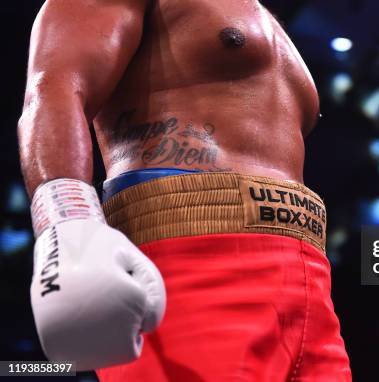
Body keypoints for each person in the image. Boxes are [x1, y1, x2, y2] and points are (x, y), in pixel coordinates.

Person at [18, 0, 352, 381]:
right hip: (189, 258)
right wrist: (68, 226)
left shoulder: (269, 23)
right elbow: (55, 86)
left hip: (311, 280)